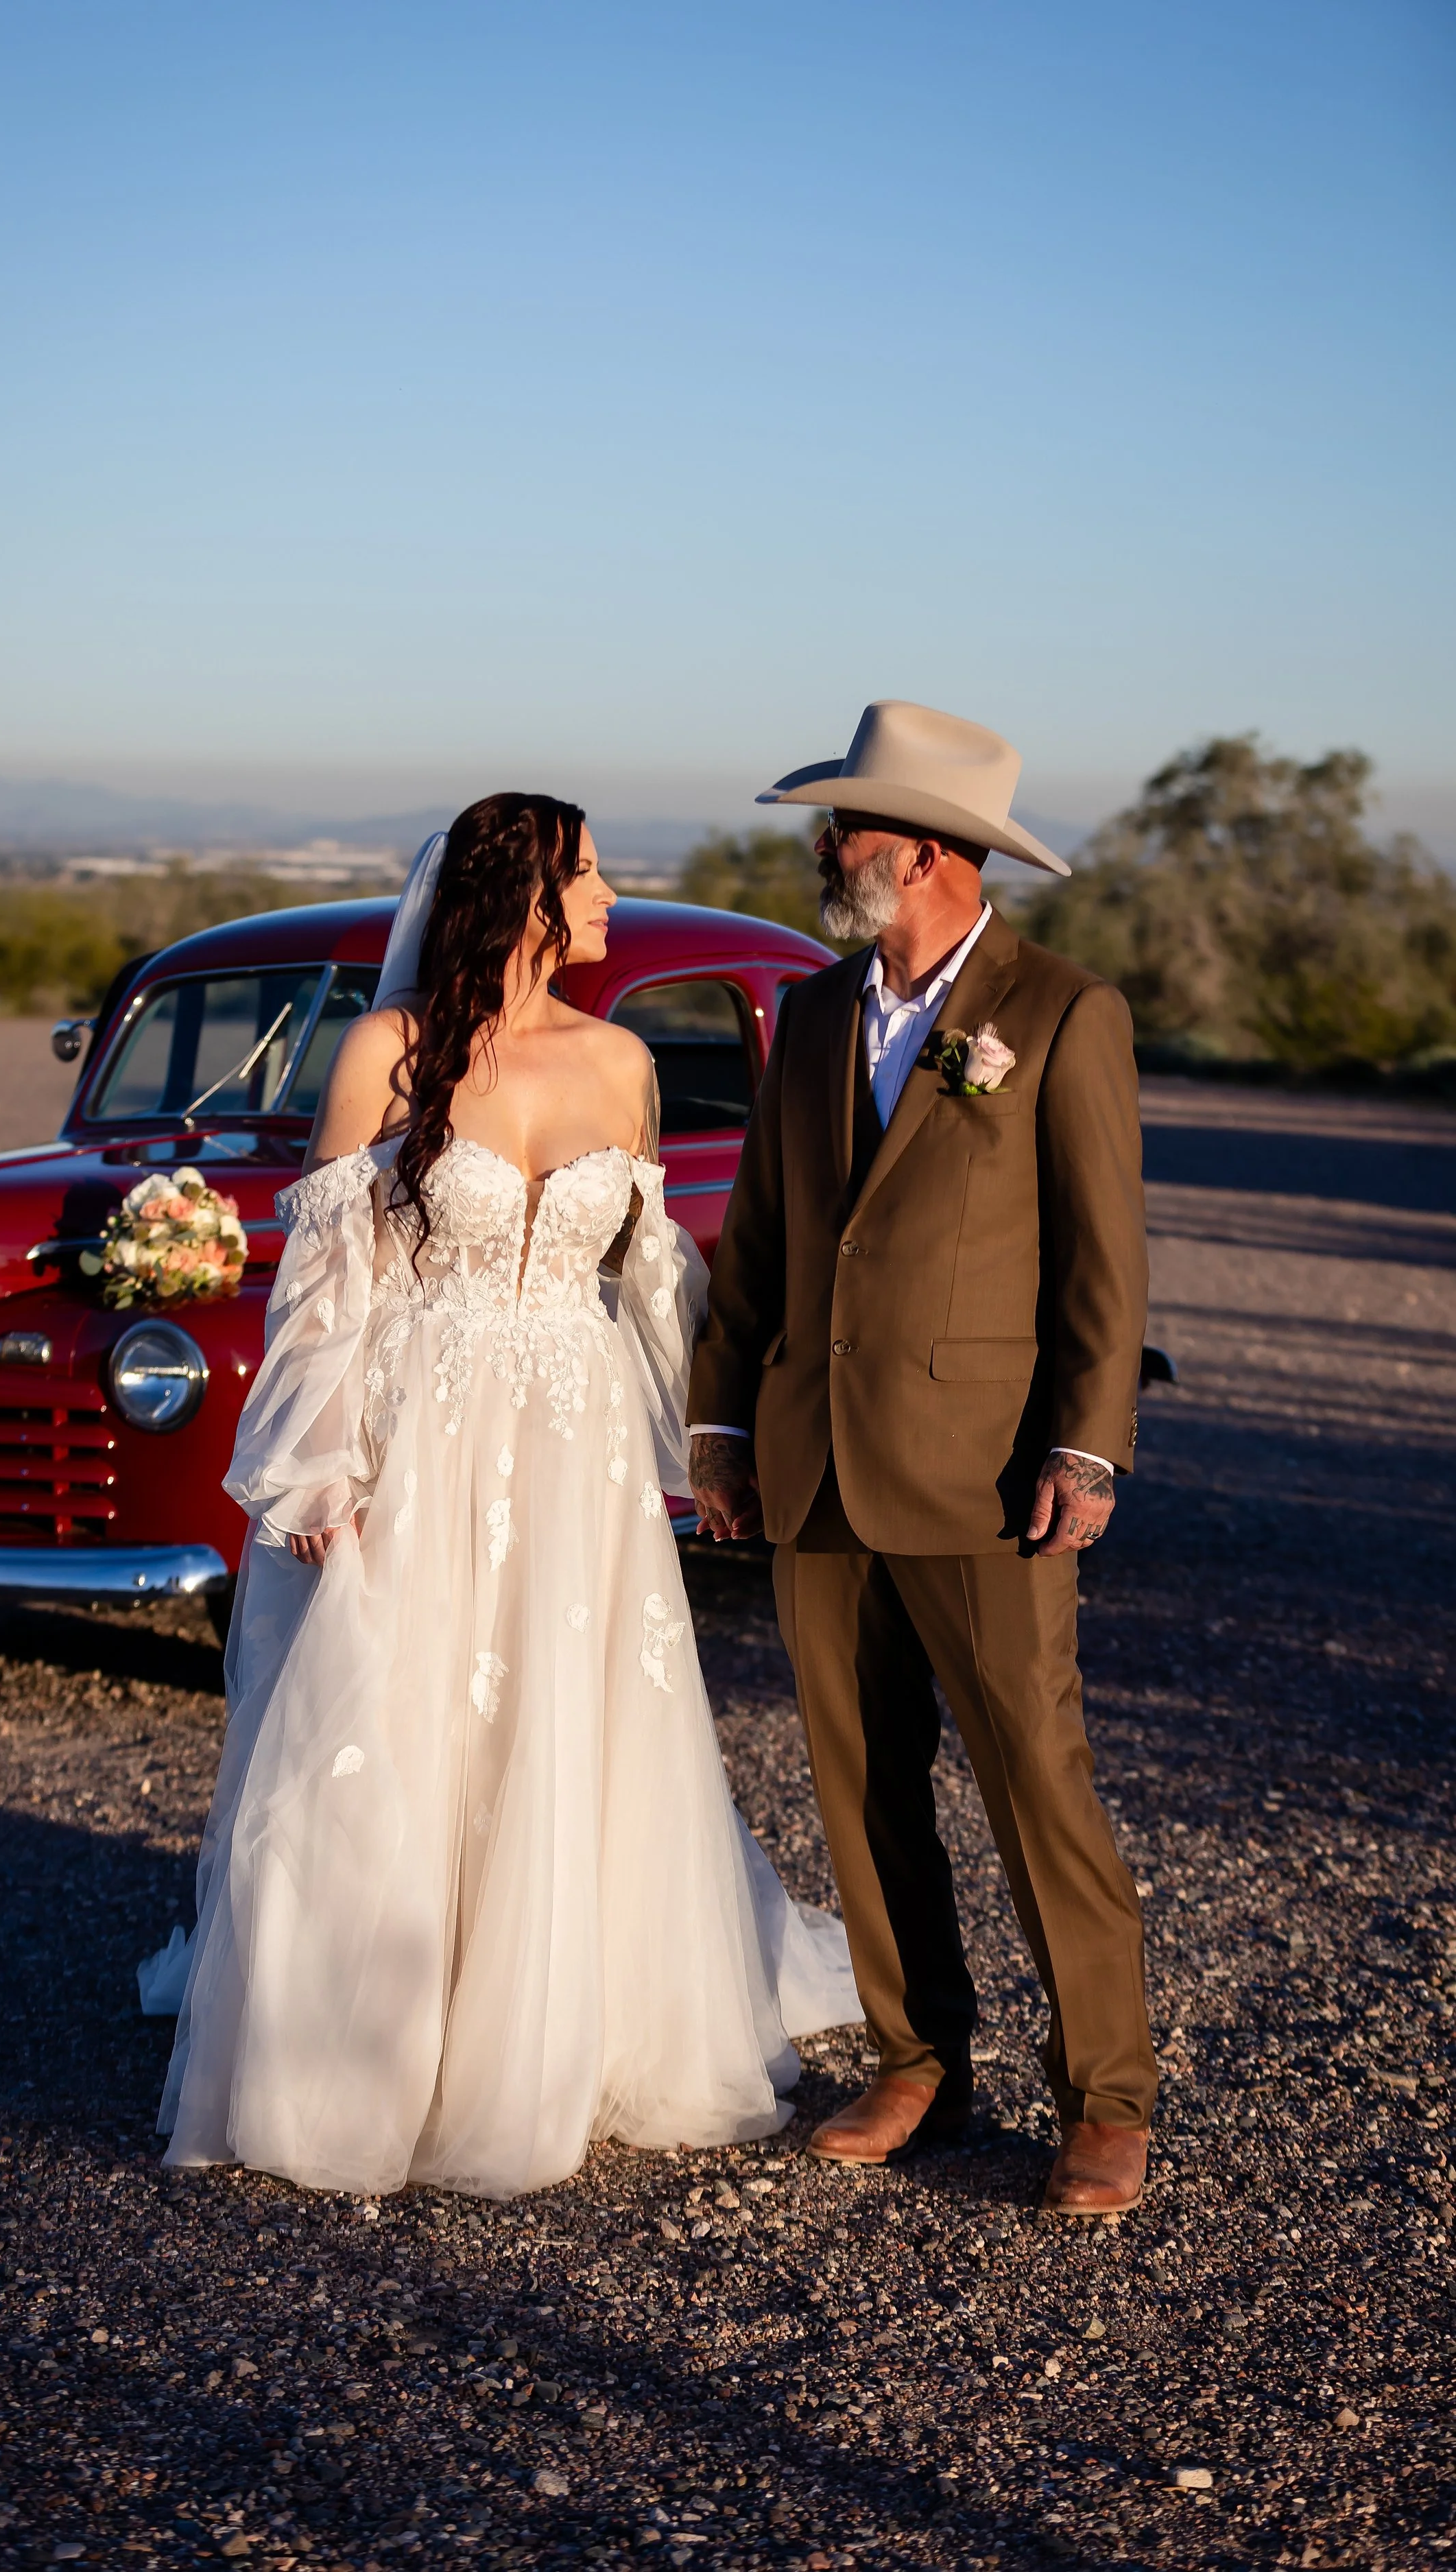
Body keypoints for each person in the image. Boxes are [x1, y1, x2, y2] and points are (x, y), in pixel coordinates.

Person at [141, 791, 859, 2200]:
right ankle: (367, 2053)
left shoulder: (621, 1060)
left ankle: (564, 2026)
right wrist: (318, 1467)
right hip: (425, 1423)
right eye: (587, 876)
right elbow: (328, 1288)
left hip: (574, 1437)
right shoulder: (387, 1053)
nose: (607, 897)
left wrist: (703, 1443)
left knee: (569, 1708)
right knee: (394, 1707)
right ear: (523, 894)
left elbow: (653, 1278)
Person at [687, 700, 1156, 2217]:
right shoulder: (817, 1011)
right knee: (858, 1779)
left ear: (941, 853)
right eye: (830, 826)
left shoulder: (1064, 1012)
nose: (826, 848)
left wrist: (1085, 1451)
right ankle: (914, 2065)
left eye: (849, 827)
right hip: (812, 1462)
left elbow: (1102, 1259)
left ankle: (1104, 2097)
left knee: (1035, 1778)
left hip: (984, 1472)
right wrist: (715, 1421)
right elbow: (756, 1237)